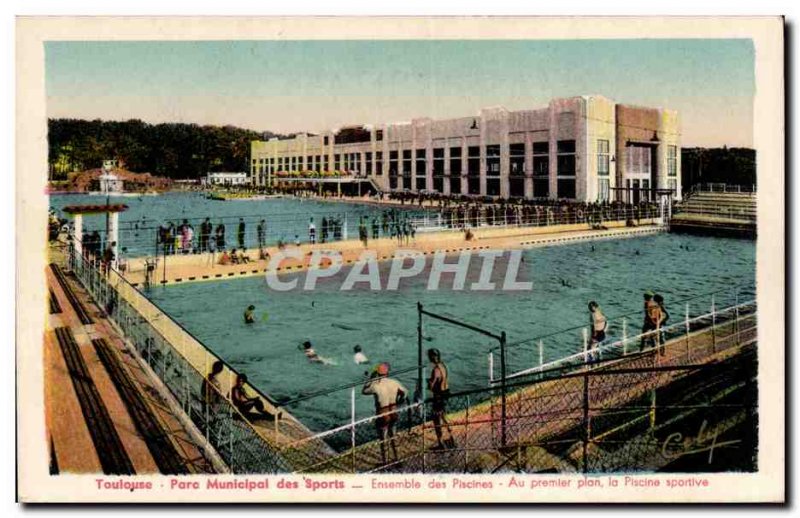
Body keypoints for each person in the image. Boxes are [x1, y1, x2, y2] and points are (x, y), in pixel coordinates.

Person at [362, 363, 407, 464]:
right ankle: (397, 459)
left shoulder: (375, 386)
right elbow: (405, 392)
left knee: (383, 440)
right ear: (387, 373)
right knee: (393, 437)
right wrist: (399, 401)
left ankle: (385, 462)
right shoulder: (394, 382)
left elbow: (364, 391)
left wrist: (370, 379)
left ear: (377, 373)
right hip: (394, 413)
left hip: (383, 415)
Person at [427, 348, 456, 450]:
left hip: (438, 396)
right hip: (445, 393)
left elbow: (431, 386)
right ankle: (452, 438)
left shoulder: (435, 370)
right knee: (443, 416)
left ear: (432, 357)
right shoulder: (443, 366)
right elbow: (443, 380)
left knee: (436, 420)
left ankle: (441, 444)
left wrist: (428, 383)